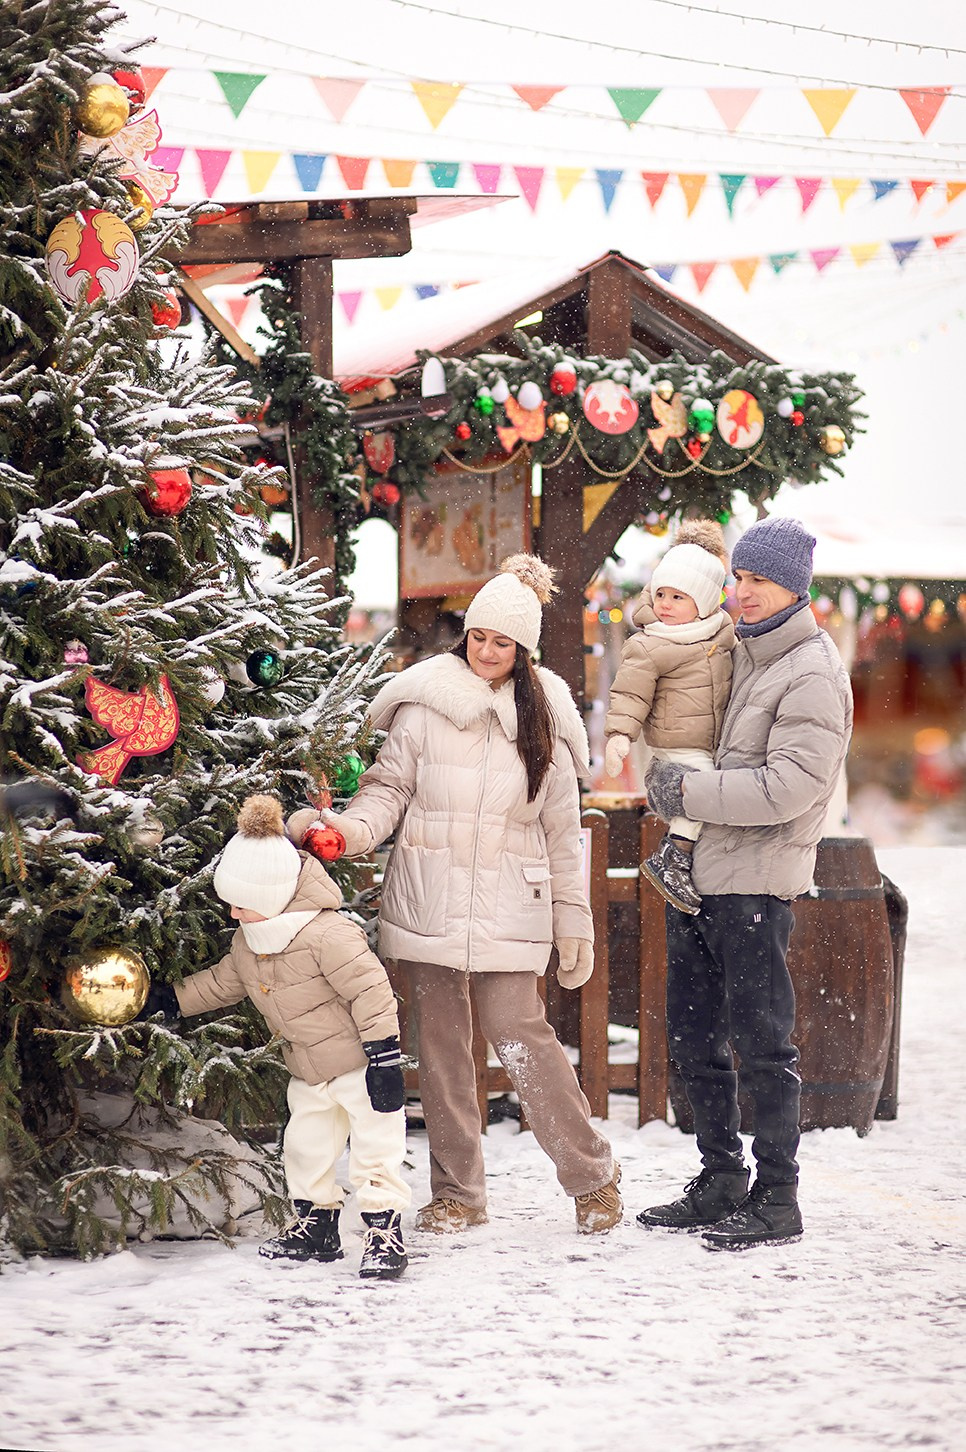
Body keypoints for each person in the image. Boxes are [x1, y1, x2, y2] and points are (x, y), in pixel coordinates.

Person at [302, 555, 622, 1236]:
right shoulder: (425, 706)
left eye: (502, 643)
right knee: (442, 1053)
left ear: (524, 650)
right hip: (430, 901)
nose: (486, 652)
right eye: (478, 637)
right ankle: (457, 1193)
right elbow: (387, 790)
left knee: (523, 1041)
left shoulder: (546, 720)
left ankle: (592, 1175)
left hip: (514, 904)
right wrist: (350, 832)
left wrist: (575, 922)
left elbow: (565, 834)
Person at [637, 516, 852, 1250]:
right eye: (742, 577)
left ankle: (778, 1197)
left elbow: (788, 788)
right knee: (695, 1036)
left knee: (764, 1044)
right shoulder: (747, 655)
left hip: (756, 884)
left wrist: (685, 795)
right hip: (703, 877)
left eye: (760, 580)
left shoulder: (811, 671)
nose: (745, 592)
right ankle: (722, 1176)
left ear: (794, 586)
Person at [139, 795, 411, 1278]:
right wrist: (170, 999)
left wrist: (384, 1059)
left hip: (360, 1067)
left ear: (271, 897)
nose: (234, 915)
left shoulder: (330, 935)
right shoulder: (250, 941)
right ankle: (317, 1226)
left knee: (376, 1151)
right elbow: (223, 982)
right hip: (306, 1068)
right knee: (305, 1148)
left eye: (242, 905)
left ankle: (383, 1231)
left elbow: (372, 993)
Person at [603, 520, 734, 915]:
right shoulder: (650, 644)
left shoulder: (722, 634)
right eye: (660, 594)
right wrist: (619, 736)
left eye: (678, 597)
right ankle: (672, 856)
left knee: (716, 790)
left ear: (705, 603)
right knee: (705, 790)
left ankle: (687, 856)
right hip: (677, 743)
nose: (665, 604)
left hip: (710, 742)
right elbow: (629, 692)